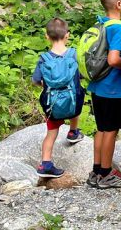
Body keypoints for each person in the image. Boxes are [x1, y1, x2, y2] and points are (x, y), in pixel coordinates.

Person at [86, 0, 121, 189]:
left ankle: (96, 171)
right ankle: (106, 173)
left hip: (97, 86)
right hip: (112, 88)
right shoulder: (119, 28)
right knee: (111, 131)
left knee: (101, 129)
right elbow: (114, 59)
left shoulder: (101, 24)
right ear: (119, 4)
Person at [32, 18, 85, 178]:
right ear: (67, 35)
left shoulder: (44, 59)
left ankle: (45, 164)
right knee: (77, 98)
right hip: (73, 103)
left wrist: (47, 85)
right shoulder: (74, 55)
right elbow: (82, 75)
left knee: (51, 133)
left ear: (47, 36)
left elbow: (36, 80)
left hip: (53, 103)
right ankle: (73, 132)